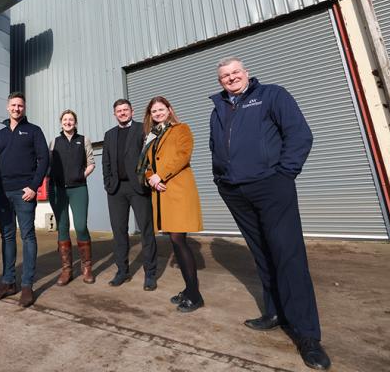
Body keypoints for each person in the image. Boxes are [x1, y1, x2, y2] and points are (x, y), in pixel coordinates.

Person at [210, 57, 331, 370]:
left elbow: (300, 134)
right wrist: (220, 180)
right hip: (235, 191)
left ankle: (307, 335)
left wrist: (284, 174)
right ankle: (274, 312)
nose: (231, 78)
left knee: (288, 255)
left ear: (247, 74)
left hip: (271, 186)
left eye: (236, 72)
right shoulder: (219, 108)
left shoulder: (272, 95)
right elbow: (216, 147)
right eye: (225, 75)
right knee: (262, 253)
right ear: (220, 81)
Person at [139, 96, 204, 312]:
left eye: (160, 109)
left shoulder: (181, 129)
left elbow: (183, 156)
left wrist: (161, 175)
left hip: (177, 190)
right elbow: (146, 163)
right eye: (153, 111)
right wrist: (150, 177)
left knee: (178, 240)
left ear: (169, 110)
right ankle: (189, 289)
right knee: (175, 241)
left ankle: (195, 295)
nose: (157, 113)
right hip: (161, 191)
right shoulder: (151, 136)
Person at [0, 92, 49, 307]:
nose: (16, 108)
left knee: (28, 236)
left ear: (24, 108)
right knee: (7, 237)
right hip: (2, 193)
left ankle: (27, 285)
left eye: (20, 105)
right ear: (7, 107)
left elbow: (44, 160)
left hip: (24, 192)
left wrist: (33, 186)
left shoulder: (33, 131)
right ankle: (8, 282)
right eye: (13, 105)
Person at [102, 99, 158, 290]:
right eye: (119, 111)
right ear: (114, 114)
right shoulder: (109, 135)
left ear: (132, 111)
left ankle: (150, 274)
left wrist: (148, 179)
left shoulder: (143, 129)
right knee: (119, 232)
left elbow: (151, 156)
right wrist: (108, 183)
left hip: (138, 188)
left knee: (146, 230)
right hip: (116, 190)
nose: (123, 113)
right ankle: (122, 271)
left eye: (125, 110)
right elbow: (106, 162)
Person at [48, 109, 96, 285]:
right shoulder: (54, 142)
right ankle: (67, 270)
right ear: (61, 123)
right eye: (65, 120)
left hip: (78, 189)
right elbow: (49, 164)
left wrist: (81, 175)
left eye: (71, 120)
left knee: (81, 226)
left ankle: (87, 267)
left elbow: (91, 163)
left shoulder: (83, 140)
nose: (68, 122)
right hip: (58, 189)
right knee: (62, 227)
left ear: (75, 123)